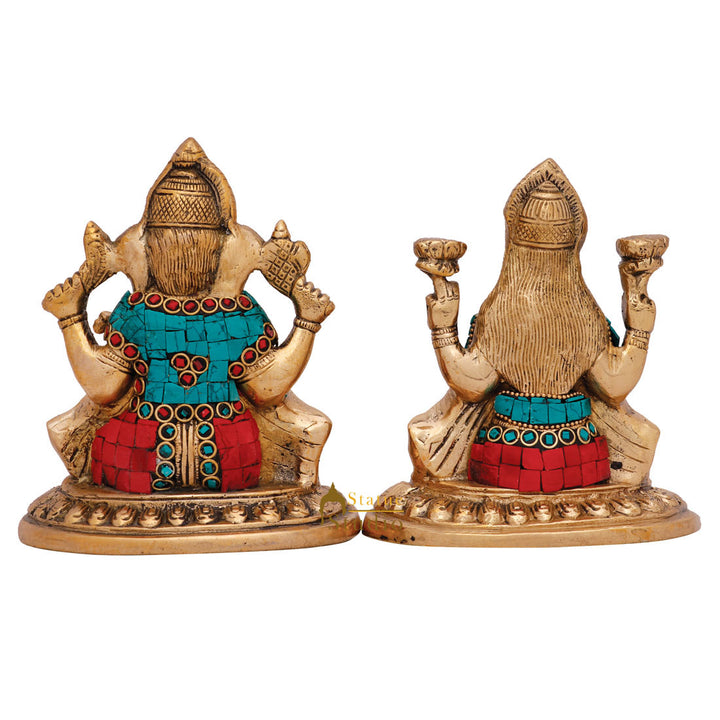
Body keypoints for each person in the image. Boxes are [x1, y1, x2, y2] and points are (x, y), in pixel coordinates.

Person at [42, 138, 334, 494]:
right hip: (139, 451)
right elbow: (104, 389)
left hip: (228, 450)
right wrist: (70, 318)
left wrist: (306, 322)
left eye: (196, 241)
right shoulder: (137, 312)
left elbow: (265, 389)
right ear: (150, 246)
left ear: (221, 247)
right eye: (170, 240)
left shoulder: (237, 314)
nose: (183, 250)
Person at [410, 159, 665, 492]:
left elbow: (473, 382)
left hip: (574, 453)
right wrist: (638, 331)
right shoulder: (511, 315)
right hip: (511, 455)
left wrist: (444, 330)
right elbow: (472, 387)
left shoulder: (579, 318)